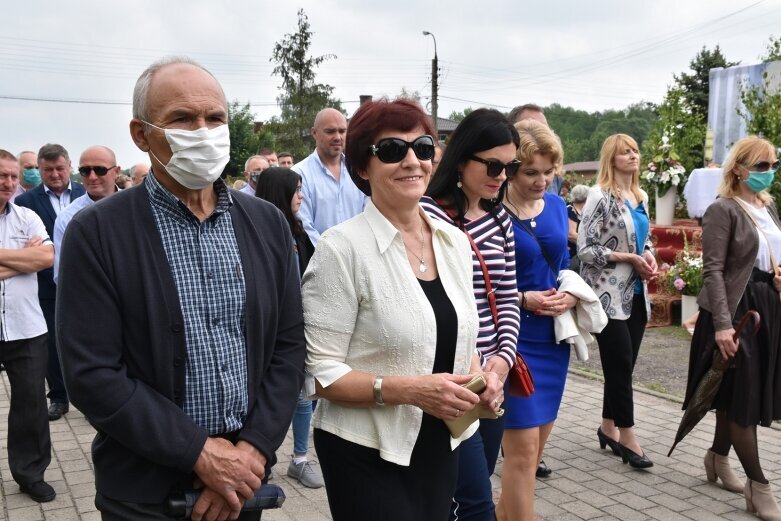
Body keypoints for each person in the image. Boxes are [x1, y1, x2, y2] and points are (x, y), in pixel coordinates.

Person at [56, 56, 306, 521]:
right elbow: (93, 374)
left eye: (215, 118)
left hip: (244, 482)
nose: (204, 131)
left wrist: (252, 451)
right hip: (144, 493)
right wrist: (201, 455)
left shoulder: (267, 224)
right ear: (141, 134)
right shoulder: (96, 233)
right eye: (182, 119)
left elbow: (288, 347)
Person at [303, 98, 503, 521]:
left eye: (424, 148)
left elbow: (455, 336)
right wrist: (408, 390)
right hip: (365, 449)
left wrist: (481, 379)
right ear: (362, 167)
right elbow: (318, 373)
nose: (413, 160)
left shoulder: (454, 243)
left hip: (439, 442)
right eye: (393, 150)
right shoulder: (341, 249)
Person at [421, 108, 521, 521]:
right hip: (456, 376)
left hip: (496, 378)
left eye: (510, 167)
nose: (502, 176)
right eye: (493, 165)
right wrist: (478, 368)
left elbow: (508, 297)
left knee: (463, 496)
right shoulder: (430, 215)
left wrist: (502, 362)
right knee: (476, 503)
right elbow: (433, 302)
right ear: (462, 159)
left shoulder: (500, 218)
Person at [683, 136, 781, 519]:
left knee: (739, 393)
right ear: (738, 168)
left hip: (765, 307)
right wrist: (723, 326)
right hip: (733, 313)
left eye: (773, 164)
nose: (768, 172)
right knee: (741, 397)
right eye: (760, 166)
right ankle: (760, 486)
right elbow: (714, 271)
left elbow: (765, 257)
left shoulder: (767, 206)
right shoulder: (722, 209)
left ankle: (716, 458)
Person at [498, 119, 577, 521]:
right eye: (531, 172)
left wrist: (568, 294)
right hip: (513, 341)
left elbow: (563, 266)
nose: (542, 180)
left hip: (553, 340)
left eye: (549, 171)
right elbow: (478, 284)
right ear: (510, 169)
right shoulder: (491, 213)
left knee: (532, 454)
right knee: (522, 454)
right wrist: (523, 298)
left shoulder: (559, 207)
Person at [578, 133, 658, 470]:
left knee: (622, 366)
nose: (632, 156)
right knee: (620, 362)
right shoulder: (600, 197)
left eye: (636, 151)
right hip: (606, 295)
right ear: (611, 158)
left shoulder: (640, 196)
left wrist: (649, 255)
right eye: (625, 152)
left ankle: (607, 427)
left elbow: (646, 238)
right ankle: (628, 436)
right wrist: (628, 257)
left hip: (637, 295)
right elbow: (585, 248)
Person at [254, 167, 322, 489]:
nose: (302, 196)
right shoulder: (256, 231)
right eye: (296, 190)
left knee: (301, 397)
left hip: (294, 329)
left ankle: (299, 459)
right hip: (263, 331)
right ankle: (256, 453)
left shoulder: (299, 231)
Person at [0, 149, 57, 503]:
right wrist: (22, 260)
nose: (7, 183)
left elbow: (46, 257)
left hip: (26, 328)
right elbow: (32, 260)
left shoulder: (28, 217)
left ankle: (30, 473)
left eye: (11, 176)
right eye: (0, 177)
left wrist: (31, 259)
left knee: (30, 405)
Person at [15, 143, 85, 422]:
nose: (55, 174)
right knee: (53, 345)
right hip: (46, 286)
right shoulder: (25, 203)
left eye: (59, 168)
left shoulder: (85, 193)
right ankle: (58, 396)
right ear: (41, 170)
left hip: (86, 284)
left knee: (89, 340)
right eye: (48, 170)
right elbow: (26, 251)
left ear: (69, 167)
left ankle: (92, 397)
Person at [293, 108, 367, 246]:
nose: (338, 137)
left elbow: (369, 215)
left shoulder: (360, 172)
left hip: (361, 257)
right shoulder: (299, 174)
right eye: (330, 131)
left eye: (342, 131)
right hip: (321, 260)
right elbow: (305, 226)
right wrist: (330, 257)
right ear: (314, 133)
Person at [53, 146, 121, 284]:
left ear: (116, 171)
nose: (92, 177)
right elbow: (63, 274)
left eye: (100, 170)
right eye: (85, 171)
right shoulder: (67, 217)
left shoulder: (137, 206)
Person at [567, 184, 589, 272]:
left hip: (580, 253)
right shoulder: (570, 209)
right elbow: (571, 235)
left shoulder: (585, 211)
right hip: (571, 255)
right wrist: (590, 241)